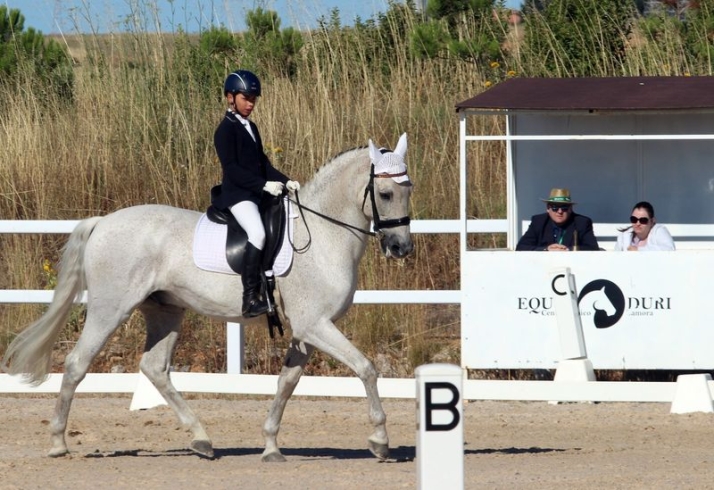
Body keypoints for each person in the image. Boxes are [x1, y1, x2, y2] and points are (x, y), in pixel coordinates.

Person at [211, 69, 301, 317]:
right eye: (245, 98)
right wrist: (262, 185)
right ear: (230, 97)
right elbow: (232, 170)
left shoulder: (251, 127)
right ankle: (250, 299)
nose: (250, 104)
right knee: (258, 233)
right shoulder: (225, 131)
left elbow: (263, 164)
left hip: (255, 192)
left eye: (253, 99)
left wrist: (286, 180)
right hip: (237, 194)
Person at [516, 188, 599, 251]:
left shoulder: (582, 222)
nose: (560, 211)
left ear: (570, 209)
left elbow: (593, 248)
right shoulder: (538, 221)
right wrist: (546, 249)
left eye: (564, 208)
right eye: (555, 208)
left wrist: (567, 250)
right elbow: (521, 247)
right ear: (548, 209)